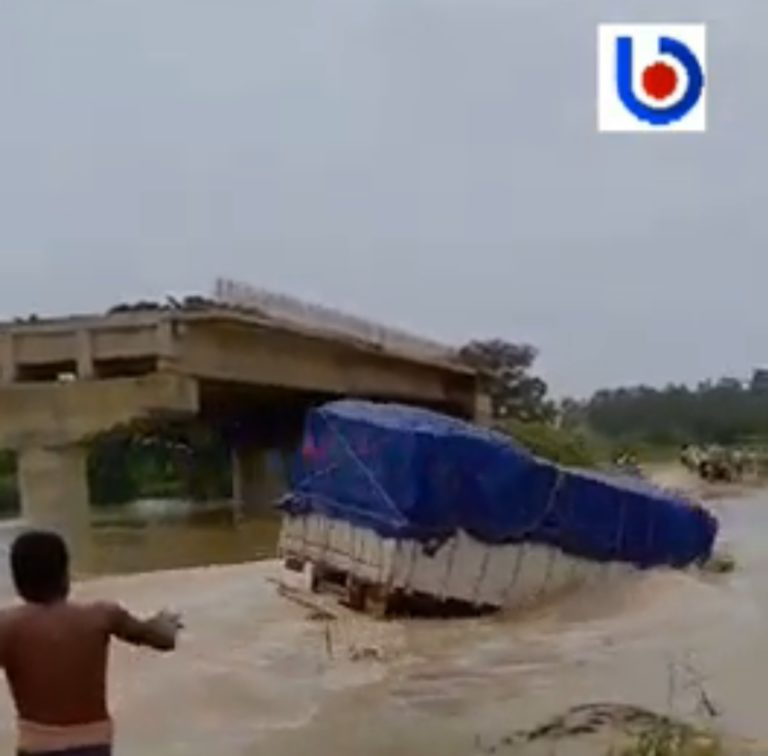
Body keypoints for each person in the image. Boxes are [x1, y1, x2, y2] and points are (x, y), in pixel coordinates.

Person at [0, 530, 183, 756]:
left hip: (37, 747)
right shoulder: (102, 616)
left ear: (18, 581)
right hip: (93, 747)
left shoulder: (7, 627)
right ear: (65, 574)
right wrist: (166, 623)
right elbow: (163, 640)